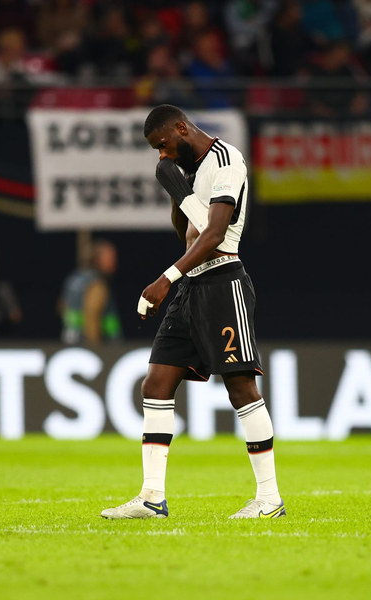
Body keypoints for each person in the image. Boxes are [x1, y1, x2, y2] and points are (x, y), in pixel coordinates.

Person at [101, 105, 284, 521]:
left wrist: (165, 278)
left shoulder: (226, 160)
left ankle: (269, 498)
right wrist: (176, 190)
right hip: (192, 286)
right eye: (156, 150)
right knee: (156, 382)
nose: (162, 154)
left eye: (163, 145)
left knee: (240, 388)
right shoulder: (189, 169)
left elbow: (215, 234)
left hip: (223, 283)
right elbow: (186, 231)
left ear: (181, 128)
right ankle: (151, 497)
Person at [60, 239, 122, 346]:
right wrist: (95, 346)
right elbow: (91, 316)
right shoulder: (97, 284)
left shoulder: (73, 279)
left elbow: (61, 306)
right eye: (111, 258)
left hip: (70, 341)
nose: (115, 262)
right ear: (97, 259)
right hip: (88, 344)